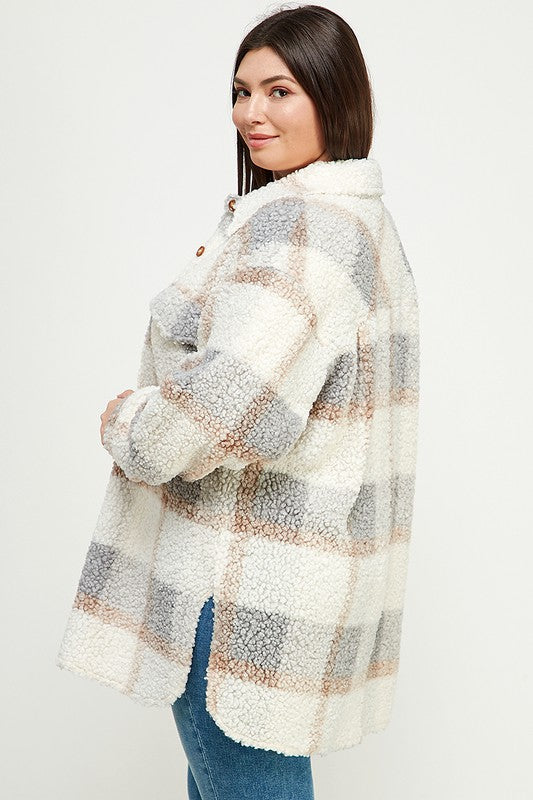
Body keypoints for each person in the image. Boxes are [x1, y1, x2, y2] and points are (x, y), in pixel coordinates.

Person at [56, 5, 420, 799]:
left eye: (279, 90)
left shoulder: (306, 227)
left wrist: (129, 423)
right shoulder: (356, 221)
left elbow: (227, 407)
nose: (251, 113)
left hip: (238, 587)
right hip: (281, 581)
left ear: (333, 95)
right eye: (241, 91)